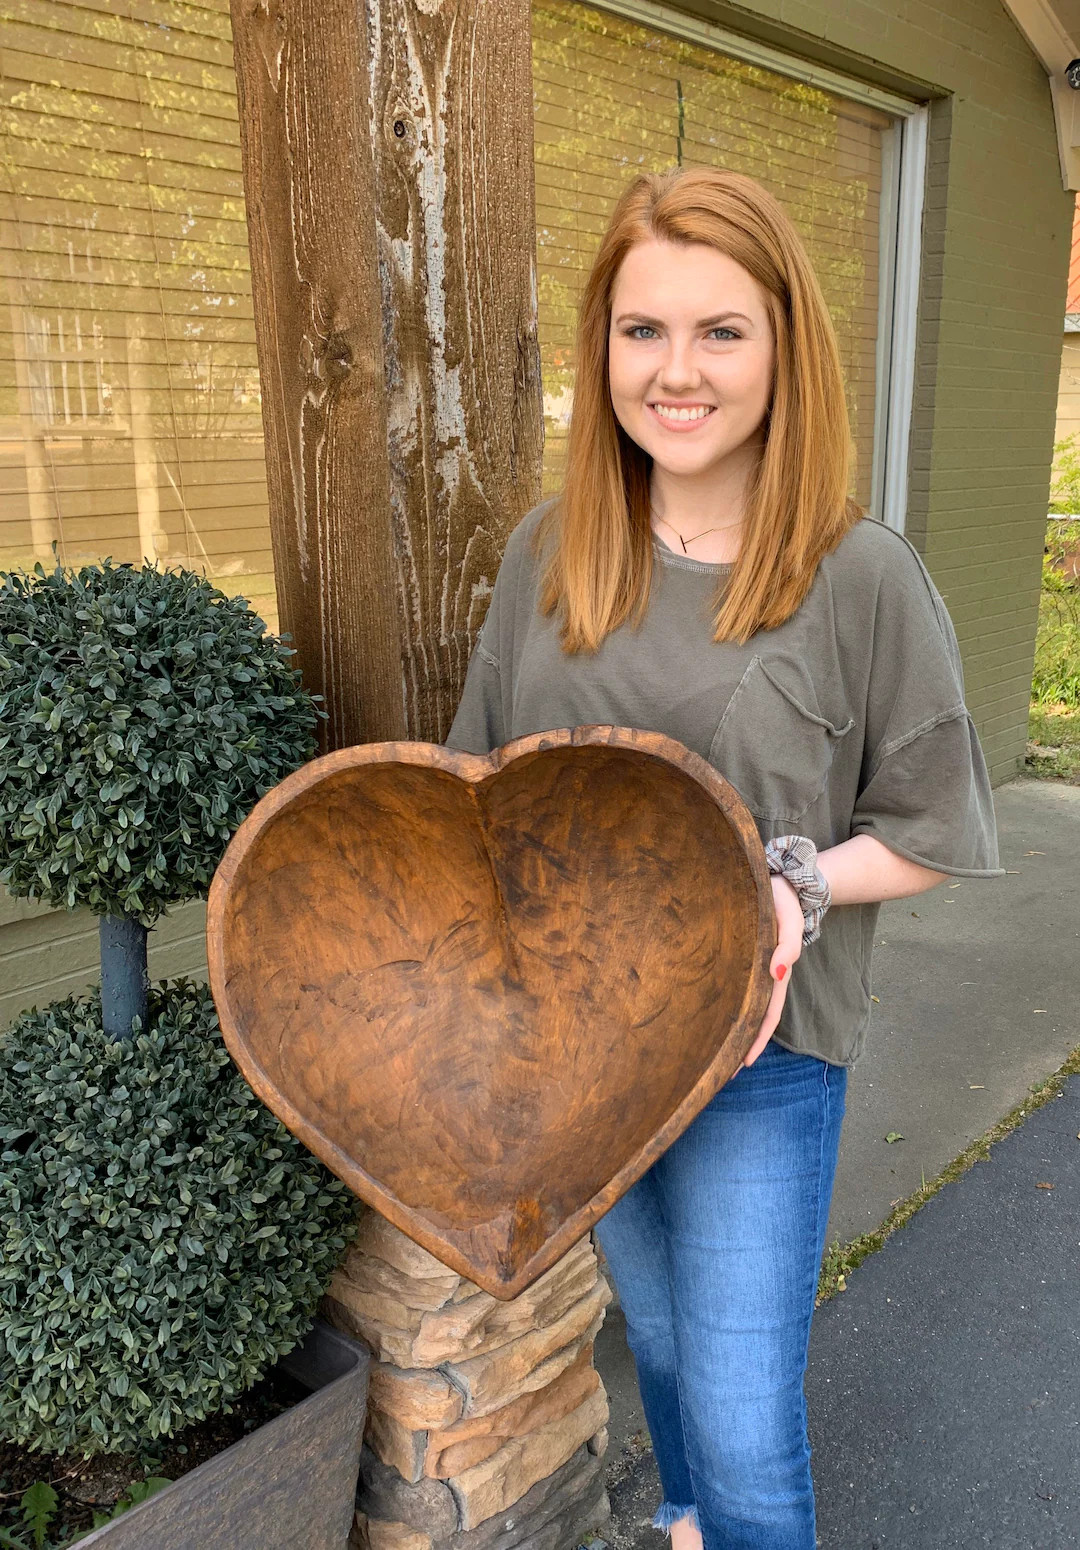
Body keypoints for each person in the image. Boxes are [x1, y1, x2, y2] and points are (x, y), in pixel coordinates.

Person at [445, 166, 1002, 1550]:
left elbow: (931, 832)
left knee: (749, 1416)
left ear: (784, 348)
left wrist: (798, 881)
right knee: (661, 1336)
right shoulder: (549, 554)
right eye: (643, 330)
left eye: (720, 331)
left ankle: (722, 1504)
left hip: (761, 1050)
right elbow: (477, 799)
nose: (676, 371)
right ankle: (689, 1520)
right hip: (579, 1049)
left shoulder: (859, 575)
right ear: (602, 347)